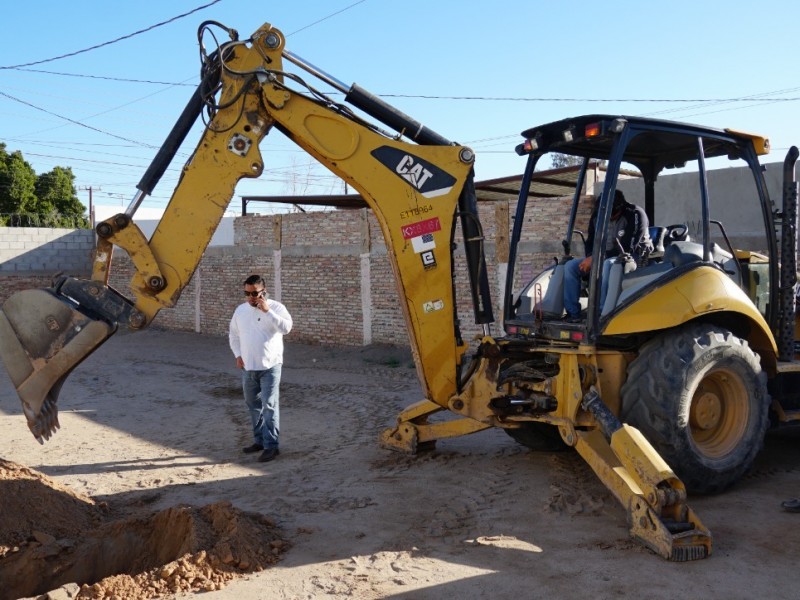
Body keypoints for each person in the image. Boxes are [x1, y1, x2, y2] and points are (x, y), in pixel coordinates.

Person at [229, 274, 293, 462]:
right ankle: (259, 441)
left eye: (255, 293)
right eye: (247, 293)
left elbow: (287, 328)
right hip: (248, 368)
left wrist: (268, 312)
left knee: (269, 406)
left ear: (263, 291)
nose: (251, 297)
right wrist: (238, 355)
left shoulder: (277, 308)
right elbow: (233, 335)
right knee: (253, 405)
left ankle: (272, 446)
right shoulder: (240, 310)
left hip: (270, 366)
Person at [562, 190, 651, 322]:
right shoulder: (598, 215)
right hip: (601, 257)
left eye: (612, 215)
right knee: (570, 267)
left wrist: (595, 259)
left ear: (620, 208)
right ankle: (573, 313)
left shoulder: (635, 214)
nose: (608, 218)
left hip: (632, 257)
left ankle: (601, 314)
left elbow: (627, 248)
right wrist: (590, 257)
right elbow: (590, 241)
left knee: (607, 265)